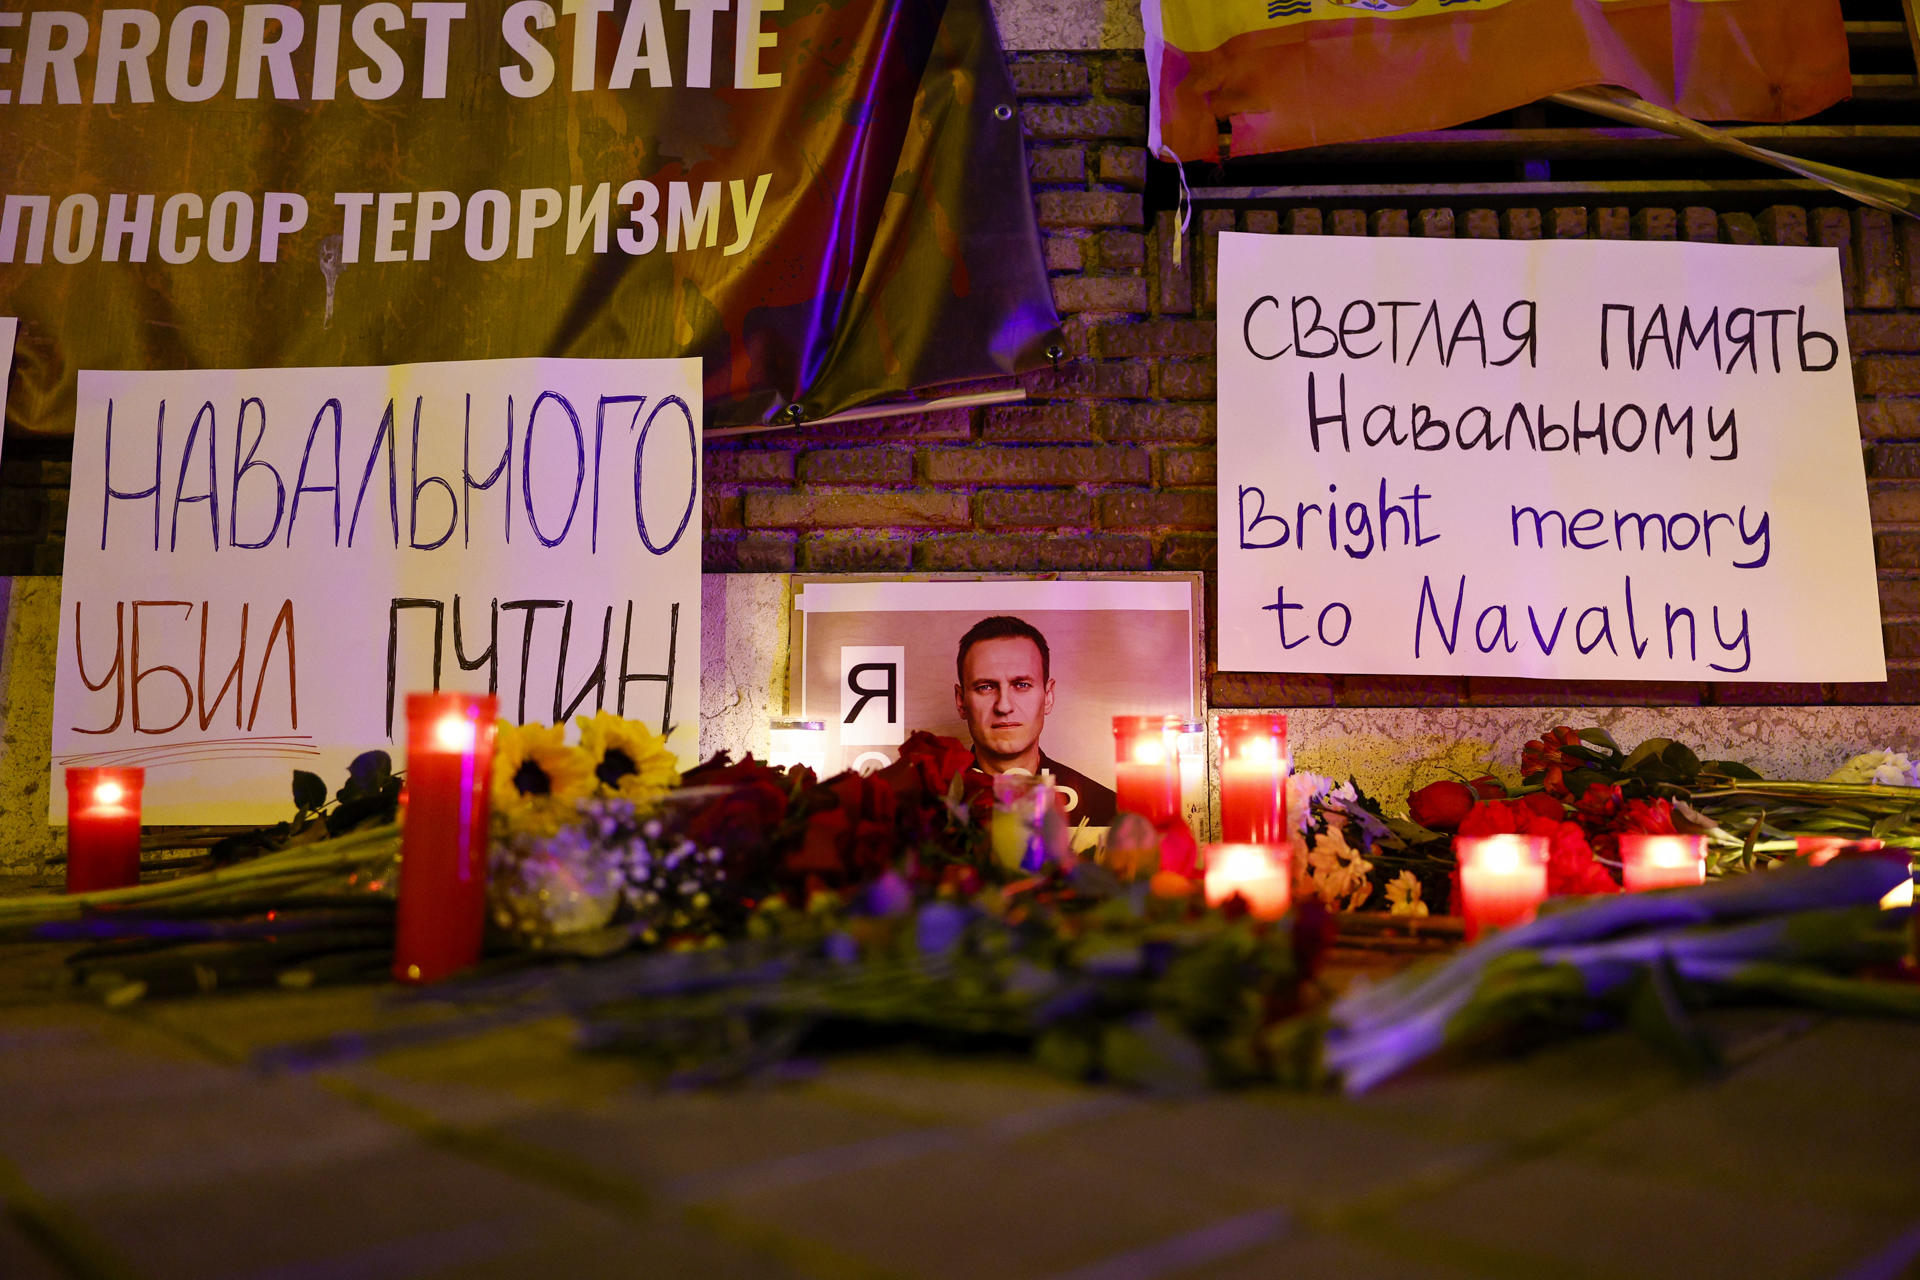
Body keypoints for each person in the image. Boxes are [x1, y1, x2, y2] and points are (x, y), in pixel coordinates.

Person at [953, 615, 1116, 826]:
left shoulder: (1106, 812)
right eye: (985, 687)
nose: (1003, 706)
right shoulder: (920, 814)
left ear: (1048, 697)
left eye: (1021, 685)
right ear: (961, 701)